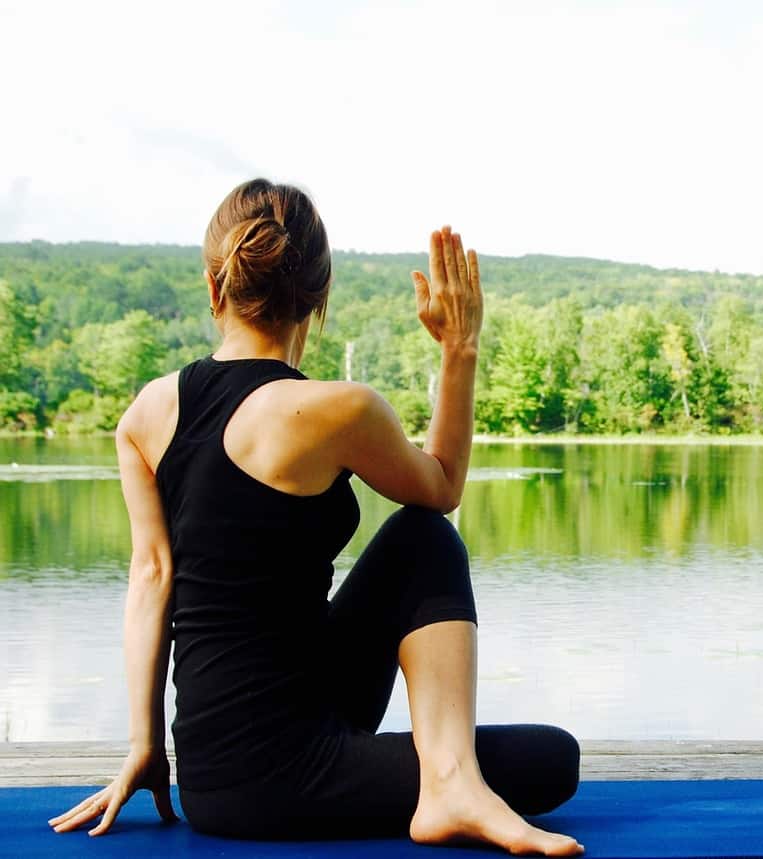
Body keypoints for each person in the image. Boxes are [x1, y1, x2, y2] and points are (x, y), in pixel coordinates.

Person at [47, 178, 585, 855]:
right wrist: (460, 349)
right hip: (282, 778)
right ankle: (450, 781)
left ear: (216, 289)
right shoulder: (338, 410)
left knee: (419, 540)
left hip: (211, 779)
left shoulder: (145, 415)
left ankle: (451, 779)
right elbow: (442, 486)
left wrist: (147, 746)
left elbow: (151, 580)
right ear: (320, 299)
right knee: (547, 753)